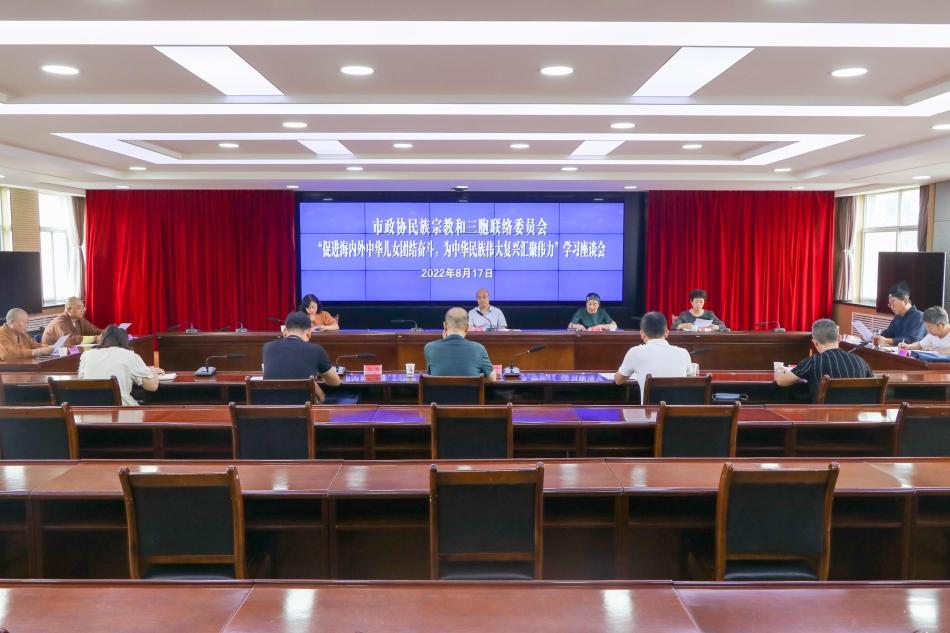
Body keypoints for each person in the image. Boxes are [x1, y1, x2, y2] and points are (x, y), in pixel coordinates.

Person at [775, 318, 873, 402]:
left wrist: (779, 370)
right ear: (839, 338)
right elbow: (872, 385)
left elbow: (781, 381)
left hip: (824, 416)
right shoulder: (861, 361)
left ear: (815, 342)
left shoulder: (814, 361)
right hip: (856, 417)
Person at [615, 311, 693, 403]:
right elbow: (691, 380)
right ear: (666, 332)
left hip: (649, 412)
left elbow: (618, 380)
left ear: (642, 334)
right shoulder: (683, 353)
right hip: (677, 411)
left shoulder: (635, 352)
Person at [77, 325, 164, 406]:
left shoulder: (87, 355)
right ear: (125, 341)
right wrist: (152, 370)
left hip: (90, 410)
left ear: (103, 339)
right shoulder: (129, 355)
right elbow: (152, 386)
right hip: (121, 411)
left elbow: (81, 380)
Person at [262, 312, 341, 396]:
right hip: (304, 404)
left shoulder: (267, 347)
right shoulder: (316, 349)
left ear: (285, 332)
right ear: (309, 333)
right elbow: (335, 382)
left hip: (270, 403)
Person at [424, 307, 497, 381]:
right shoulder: (479, 348)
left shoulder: (430, 348)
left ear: (445, 326)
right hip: (469, 389)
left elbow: (432, 374)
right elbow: (492, 378)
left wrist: (445, 341)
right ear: (467, 327)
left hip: (439, 389)